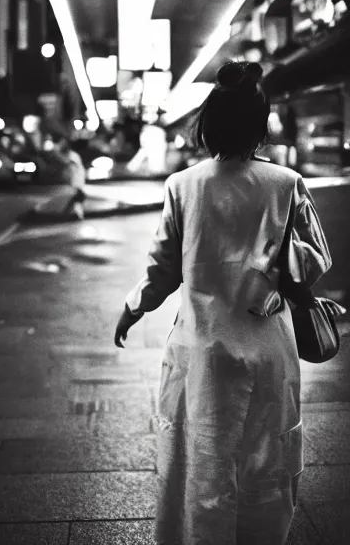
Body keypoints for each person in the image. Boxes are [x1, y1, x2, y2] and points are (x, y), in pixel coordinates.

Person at [114, 60, 332, 545]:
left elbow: (162, 270)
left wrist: (134, 306)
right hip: (267, 350)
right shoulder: (287, 184)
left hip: (201, 350)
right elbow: (314, 260)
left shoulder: (182, 186)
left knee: (200, 463)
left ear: (206, 125)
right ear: (260, 126)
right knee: (266, 464)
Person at [58, 137, 86, 219]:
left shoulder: (72, 155)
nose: (61, 145)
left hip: (77, 179)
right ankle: (69, 214)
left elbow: (70, 163)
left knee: (77, 196)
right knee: (75, 197)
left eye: (62, 143)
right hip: (74, 180)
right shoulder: (69, 155)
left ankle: (72, 214)